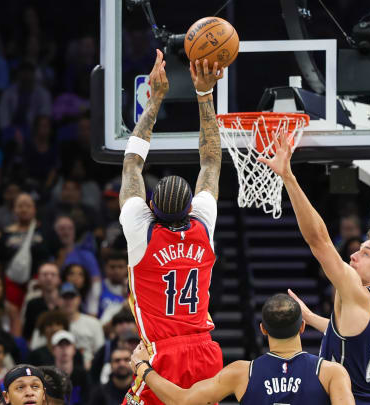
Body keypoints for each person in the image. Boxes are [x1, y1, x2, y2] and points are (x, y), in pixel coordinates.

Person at [258, 132, 370, 404]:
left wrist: (288, 177)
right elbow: (351, 335)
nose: (353, 256)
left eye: (366, 253)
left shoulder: (356, 292)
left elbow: (318, 241)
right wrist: (311, 316)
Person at [118, 51, 224, 405]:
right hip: (207, 351)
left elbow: (132, 164)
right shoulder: (202, 223)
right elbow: (210, 159)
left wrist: (155, 98)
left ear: (151, 207)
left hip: (163, 354)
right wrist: (204, 94)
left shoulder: (140, 230)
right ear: (190, 207)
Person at [130, 293, 354, 405]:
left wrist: (142, 368)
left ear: (263, 330)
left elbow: (182, 400)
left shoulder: (241, 373)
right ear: (303, 327)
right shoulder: (331, 372)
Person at [58, 283, 103, 369]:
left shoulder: (94, 323)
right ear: (58, 300)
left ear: (79, 299)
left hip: (88, 369)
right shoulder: (51, 323)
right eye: (64, 297)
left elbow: (100, 352)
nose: (68, 301)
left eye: (72, 297)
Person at [23, 263, 61, 341]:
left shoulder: (67, 302)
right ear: (38, 279)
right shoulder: (32, 304)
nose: (49, 278)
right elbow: (28, 333)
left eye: (53, 275)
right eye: (45, 274)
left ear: (59, 279)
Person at [49, 331, 88, 405]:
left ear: (74, 350)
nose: (64, 349)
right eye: (60, 345)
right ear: (53, 350)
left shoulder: (83, 375)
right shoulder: (46, 376)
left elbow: (88, 399)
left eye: (67, 344)